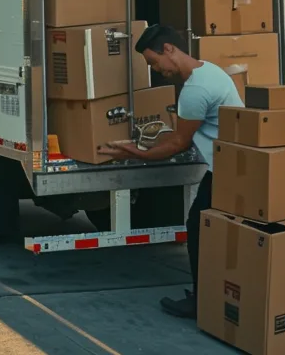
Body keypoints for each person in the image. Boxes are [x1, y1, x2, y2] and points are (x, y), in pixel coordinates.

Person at [97, 23, 241, 319]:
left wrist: (134, 153)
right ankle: (210, 293)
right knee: (204, 227)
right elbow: (180, 135)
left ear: (169, 49)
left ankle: (202, 301)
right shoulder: (209, 70)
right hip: (235, 165)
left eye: (153, 61)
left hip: (227, 170)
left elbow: (177, 143)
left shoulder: (195, 90)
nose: (155, 69)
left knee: (199, 227)